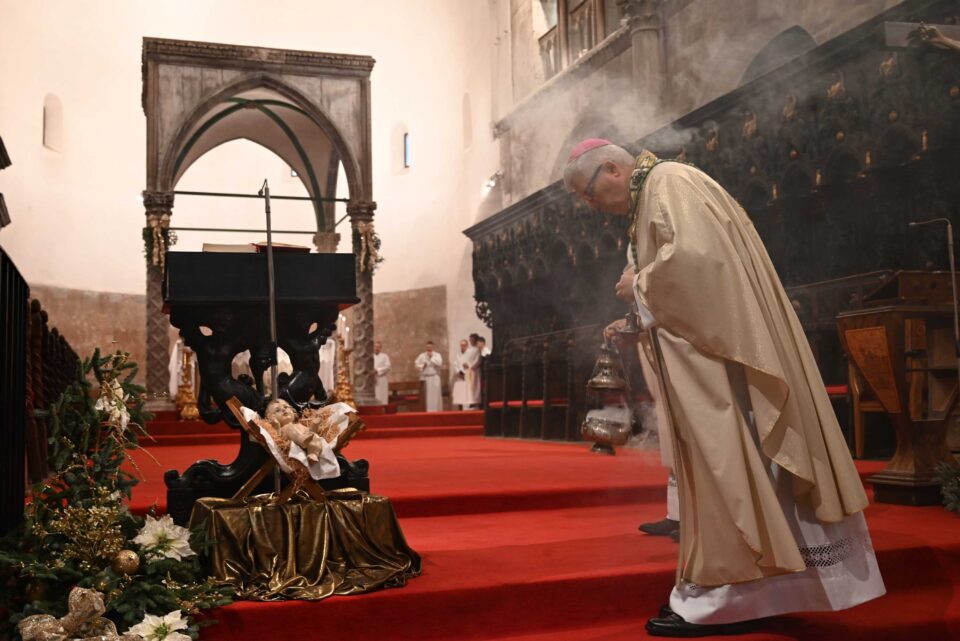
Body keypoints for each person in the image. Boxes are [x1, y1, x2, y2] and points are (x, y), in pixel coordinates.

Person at [564, 138, 884, 636]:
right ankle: (744, 593)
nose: (589, 204)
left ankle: (725, 597)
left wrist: (639, 286)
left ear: (610, 168)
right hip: (712, 362)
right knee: (737, 473)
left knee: (735, 470)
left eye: (586, 192)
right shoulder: (658, 189)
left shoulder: (671, 182)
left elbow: (700, 265)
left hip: (724, 369)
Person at [415, 341, 443, 412]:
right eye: (428, 347)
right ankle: (426, 410)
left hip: (434, 378)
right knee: (426, 396)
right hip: (425, 378)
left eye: (430, 347)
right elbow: (416, 364)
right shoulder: (422, 355)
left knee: (434, 396)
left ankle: (436, 411)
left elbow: (439, 363)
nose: (429, 348)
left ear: (433, 347)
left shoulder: (437, 355)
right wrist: (422, 366)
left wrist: (431, 358)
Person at [462, 334, 482, 409]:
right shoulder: (468, 350)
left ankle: (475, 402)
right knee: (468, 387)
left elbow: (478, 360)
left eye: (472, 340)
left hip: (474, 371)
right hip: (468, 371)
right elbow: (464, 359)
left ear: (476, 340)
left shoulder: (478, 349)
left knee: (474, 386)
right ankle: (469, 401)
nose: (471, 341)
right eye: (470, 340)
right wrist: (464, 364)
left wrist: (470, 366)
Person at [451, 339, 470, 410]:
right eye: (461, 346)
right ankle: (460, 410)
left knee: (467, 395)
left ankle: (468, 410)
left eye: (464, 345)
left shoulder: (470, 354)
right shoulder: (458, 354)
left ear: (467, 345)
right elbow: (455, 365)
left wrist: (465, 373)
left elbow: (471, 365)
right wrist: (459, 372)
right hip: (459, 377)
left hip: (467, 377)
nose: (462, 347)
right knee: (459, 396)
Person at [374, 341, 391, 405]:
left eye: (378, 347)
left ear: (380, 348)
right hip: (373, 379)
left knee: (382, 395)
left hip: (381, 379)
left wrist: (377, 370)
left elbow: (388, 367)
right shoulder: (370, 357)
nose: (376, 348)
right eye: (375, 347)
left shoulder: (385, 356)